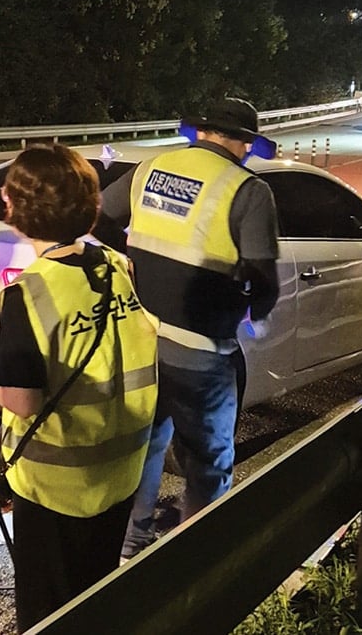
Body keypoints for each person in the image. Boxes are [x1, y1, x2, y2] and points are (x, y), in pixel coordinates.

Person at [0, 143, 158, 632]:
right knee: (96, 596)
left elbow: (23, 401)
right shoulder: (115, 267)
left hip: (58, 486)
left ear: (16, 209)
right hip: (120, 470)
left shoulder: (27, 293)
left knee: (49, 613)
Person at [96, 97, 281, 561]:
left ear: (200, 132)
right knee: (208, 460)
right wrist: (251, 311)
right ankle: (194, 559)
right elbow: (263, 282)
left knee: (145, 446)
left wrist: (132, 256)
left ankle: (130, 544)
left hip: (140, 339)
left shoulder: (151, 168)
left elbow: (96, 216)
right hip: (201, 349)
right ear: (242, 142)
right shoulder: (248, 190)